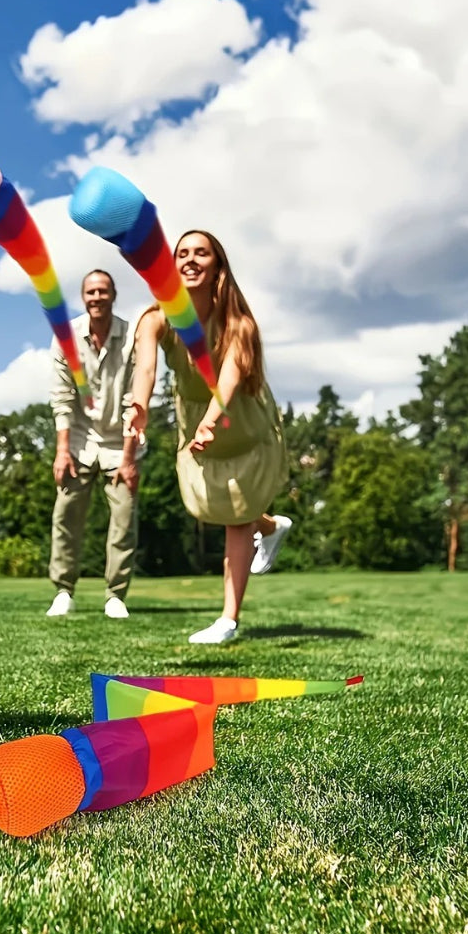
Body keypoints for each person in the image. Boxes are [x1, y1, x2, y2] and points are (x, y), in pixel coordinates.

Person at [130, 231, 290, 643]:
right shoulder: (157, 318)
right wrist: (140, 405)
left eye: (201, 253)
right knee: (216, 505)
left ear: (218, 264)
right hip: (195, 416)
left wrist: (212, 419)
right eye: (182, 253)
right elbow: (145, 369)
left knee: (235, 516)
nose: (190, 259)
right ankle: (269, 527)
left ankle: (228, 621)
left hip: (242, 418)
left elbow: (232, 377)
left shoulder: (238, 322)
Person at [46, 269, 141, 619]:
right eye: (90, 292)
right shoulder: (66, 337)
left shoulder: (133, 336)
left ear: (114, 295)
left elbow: (136, 399)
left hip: (122, 441)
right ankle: (63, 591)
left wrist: (129, 459)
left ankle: (115, 595)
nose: (97, 297)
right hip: (80, 440)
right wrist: (61, 451)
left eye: (103, 291)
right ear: (83, 298)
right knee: (66, 514)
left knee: (124, 517)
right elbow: (62, 397)